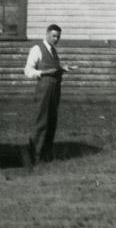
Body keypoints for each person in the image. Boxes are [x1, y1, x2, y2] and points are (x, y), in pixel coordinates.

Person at [23, 23, 69, 165]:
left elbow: (53, 68)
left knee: (51, 121)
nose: (56, 39)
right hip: (44, 88)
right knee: (42, 121)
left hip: (55, 88)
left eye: (58, 37)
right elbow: (28, 71)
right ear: (47, 34)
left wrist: (62, 69)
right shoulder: (37, 49)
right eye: (54, 36)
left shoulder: (53, 51)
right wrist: (43, 72)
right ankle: (34, 156)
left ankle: (46, 155)